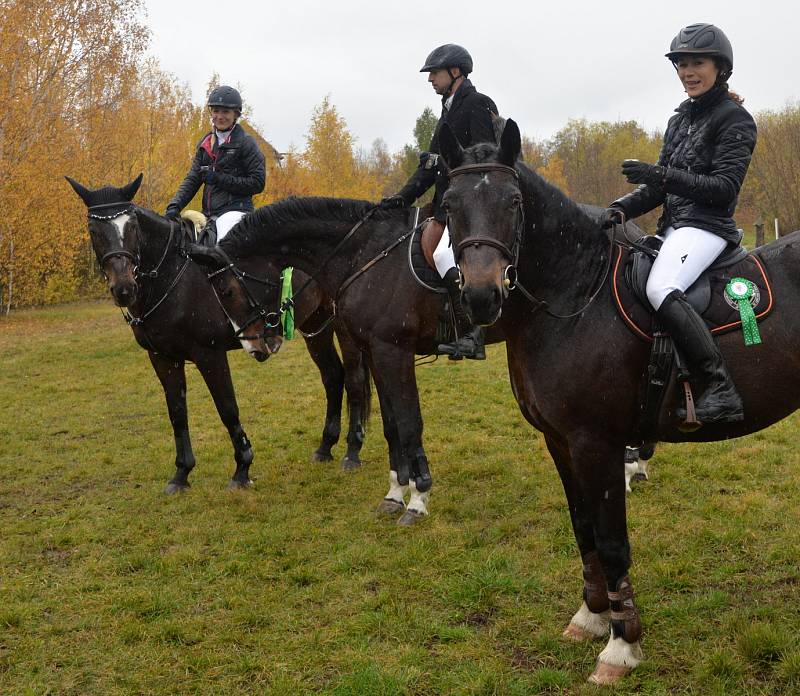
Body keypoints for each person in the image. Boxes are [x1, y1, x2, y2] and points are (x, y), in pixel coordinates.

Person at [601, 23, 757, 423]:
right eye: (682, 64)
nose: (688, 72)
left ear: (720, 68)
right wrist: (620, 207)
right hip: (674, 227)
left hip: (708, 228)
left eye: (697, 63)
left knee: (660, 286)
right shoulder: (679, 121)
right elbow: (659, 189)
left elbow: (723, 188)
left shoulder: (735, 119)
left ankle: (718, 385)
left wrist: (659, 175)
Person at [380, 44, 498, 360]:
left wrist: (443, 162)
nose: (430, 79)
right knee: (429, 247)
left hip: (474, 206)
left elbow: (485, 158)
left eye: (435, 72)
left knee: (445, 255)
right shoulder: (447, 109)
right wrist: (402, 197)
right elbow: (429, 167)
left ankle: (474, 334)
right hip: (448, 203)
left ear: (455, 72)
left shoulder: (476, 104)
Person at [165, 85, 266, 242]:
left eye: (225, 112)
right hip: (208, 214)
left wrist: (219, 179)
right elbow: (193, 179)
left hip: (236, 212)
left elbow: (257, 183)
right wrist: (174, 206)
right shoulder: (205, 144)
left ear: (236, 114)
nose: (220, 116)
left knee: (223, 243)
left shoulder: (246, 143)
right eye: (216, 111)